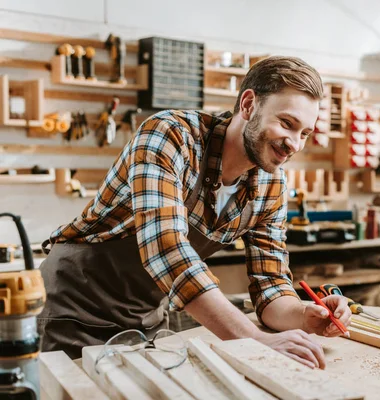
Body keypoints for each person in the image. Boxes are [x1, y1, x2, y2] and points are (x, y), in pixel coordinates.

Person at [38, 56, 351, 369]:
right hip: (75, 306)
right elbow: (166, 250)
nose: (294, 144)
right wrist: (254, 339)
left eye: (305, 133)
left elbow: (270, 285)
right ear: (248, 104)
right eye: (286, 123)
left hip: (144, 316)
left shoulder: (271, 184)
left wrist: (304, 315)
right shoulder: (170, 136)